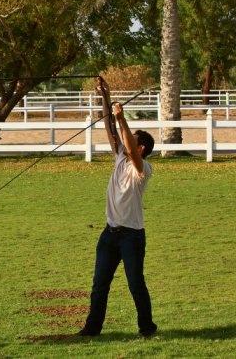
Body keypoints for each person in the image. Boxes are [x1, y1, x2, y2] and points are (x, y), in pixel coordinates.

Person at [78, 78, 157, 337]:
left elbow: (128, 144)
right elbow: (109, 127)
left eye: (131, 140)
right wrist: (105, 95)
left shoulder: (142, 168)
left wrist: (123, 120)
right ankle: (92, 329)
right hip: (110, 234)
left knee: (135, 284)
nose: (124, 142)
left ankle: (147, 328)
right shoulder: (120, 157)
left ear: (141, 147)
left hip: (132, 236)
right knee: (99, 284)